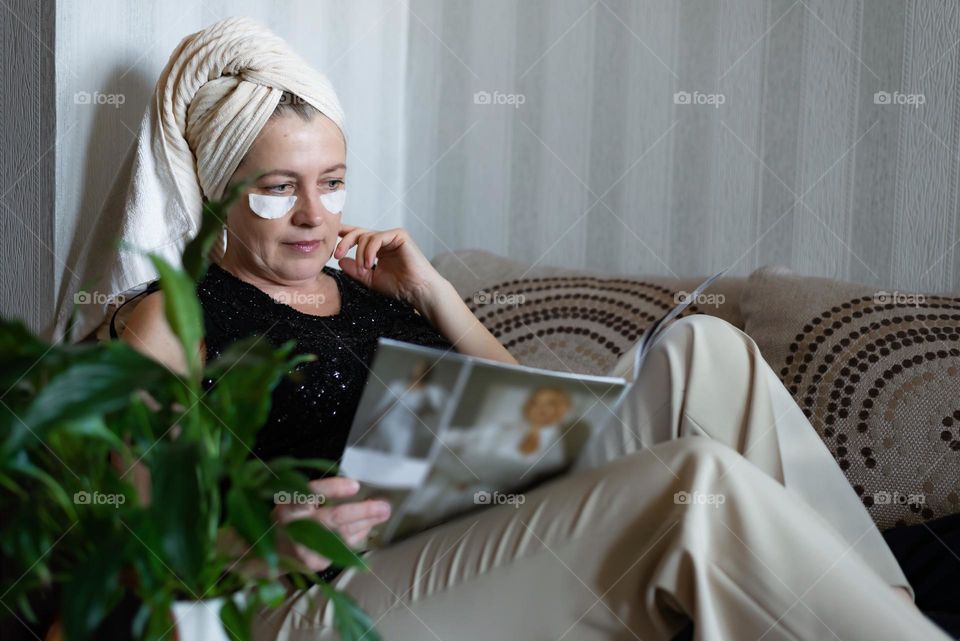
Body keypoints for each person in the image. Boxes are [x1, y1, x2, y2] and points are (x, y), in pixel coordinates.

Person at [100, 16, 951, 641]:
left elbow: (539, 416)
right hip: (317, 600)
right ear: (216, 192)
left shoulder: (370, 291)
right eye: (278, 189)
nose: (314, 216)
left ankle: (884, 618)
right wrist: (264, 537)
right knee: (692, 484)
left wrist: (435, 295)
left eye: (334, 182)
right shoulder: (172, 316)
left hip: (467, 535)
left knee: (708, 352)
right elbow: (140, 547)